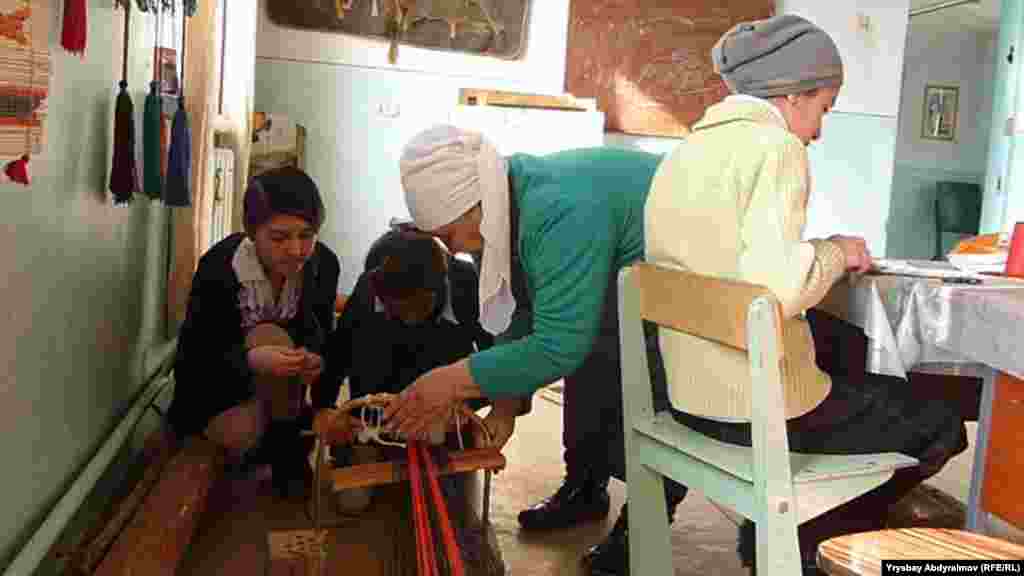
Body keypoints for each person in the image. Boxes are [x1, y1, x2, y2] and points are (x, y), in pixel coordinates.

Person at [644, 14, 968, 575]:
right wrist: (838, 251)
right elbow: (781, 286)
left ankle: (781, 534)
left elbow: (739, 266)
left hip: (690, 396)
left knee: (844, 352)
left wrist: (817, 249)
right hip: (749, 409)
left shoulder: (691, 147)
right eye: (823, 109)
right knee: (940, 423)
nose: (818, 130)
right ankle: (803, 544)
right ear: (794, 96)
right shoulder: (774, 148)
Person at [382, 126, 687, 576]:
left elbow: (558, 345)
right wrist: (502, 409)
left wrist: (448, 382)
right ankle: (584, 489)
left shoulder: (556, 211)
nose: (450, 248)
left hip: (681, 273)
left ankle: (643, 528)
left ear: (473, 206)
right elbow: (520, 311)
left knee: (656, 390)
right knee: (588, 353)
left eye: (448, 233)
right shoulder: (500, 211)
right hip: (627, 268)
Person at [167, 166, 340, 499]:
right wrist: (251, 360)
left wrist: (315, 360)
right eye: (279, 237)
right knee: (266, 341)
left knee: (278, 344)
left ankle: (283, 448)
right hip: (221, 394)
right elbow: (193, 361)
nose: (295, 249)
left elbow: (321, 332)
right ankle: (259, 449)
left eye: (306, 235)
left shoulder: (322, 265)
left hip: (282, 396)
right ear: (251, 231)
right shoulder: (220, 268)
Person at [317, 227, 529, 444]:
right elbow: (338, 353)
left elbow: (500, 358)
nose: (408, 318)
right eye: (395, 308)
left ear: (439, 287)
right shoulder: (370, 287)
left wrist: (500, 410)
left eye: (417, 306)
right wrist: (324, 408)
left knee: (449, 476)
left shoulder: (468, 284)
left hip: (446, 426)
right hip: (374, 423)